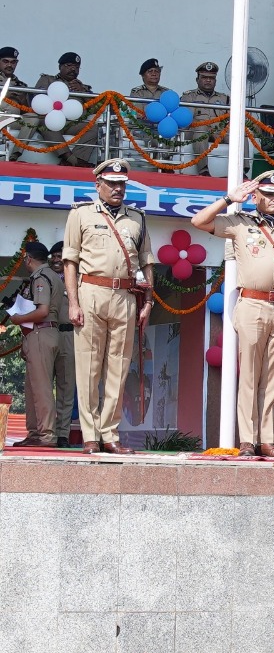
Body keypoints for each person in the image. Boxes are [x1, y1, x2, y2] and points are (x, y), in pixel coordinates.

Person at [190, 171, 274, 456]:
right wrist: (230, 199)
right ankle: (247, 439)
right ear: (256, 197)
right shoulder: (241, 223)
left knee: (273, 376)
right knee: (250, 374)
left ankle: (267, 439)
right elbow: (198, 221)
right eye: (267, 194)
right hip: (252, 303)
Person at [62, 159, 154, 455]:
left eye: (122, 184)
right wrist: (73, 302)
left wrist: (149, 301)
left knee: (119, 367)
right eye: (112, 183)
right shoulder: (80, 214)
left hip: (125, 297)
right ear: (97, 184)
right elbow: (70, 262)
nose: (117, 189)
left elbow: (146, 261)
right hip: (91, 292)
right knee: (88, 366)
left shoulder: (137, 218)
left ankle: (109, 433)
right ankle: (90, 435)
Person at [11, 241, 74, 448]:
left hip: (42, 331)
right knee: (33, 388)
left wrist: (18, 318)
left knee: (42, 388)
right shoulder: (52, 277)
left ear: (29, 258)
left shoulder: (41, 277)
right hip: (44, 333)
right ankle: (36, 433)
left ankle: (46, 435)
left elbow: (42, 311)